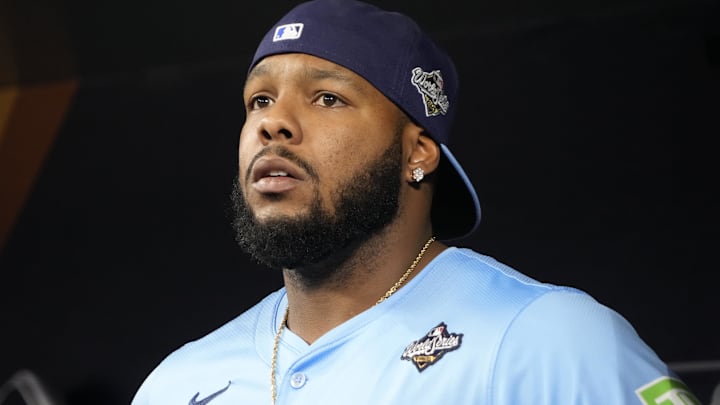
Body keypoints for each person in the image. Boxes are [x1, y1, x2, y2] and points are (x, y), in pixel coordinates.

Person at [131, 0, 700, 404]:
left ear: (418, 153)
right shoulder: (180, 382)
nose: (273, 123)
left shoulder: (547, 339)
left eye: (327, 97)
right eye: (258, 100)